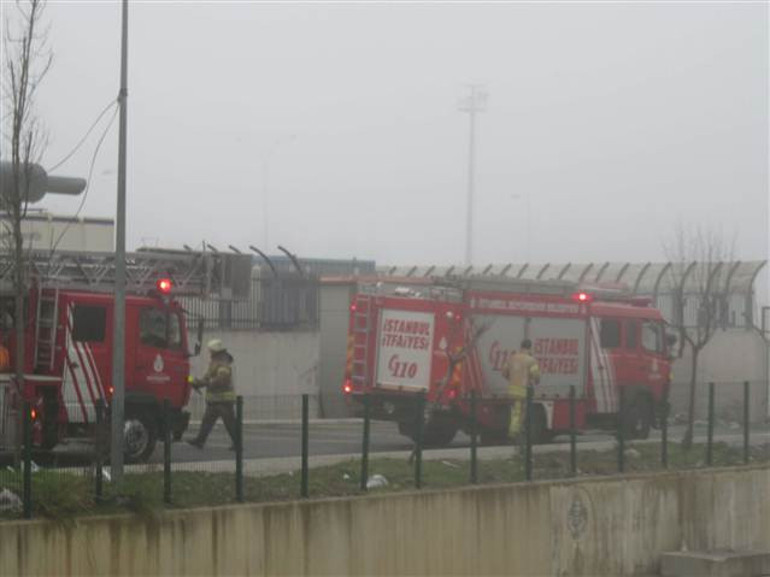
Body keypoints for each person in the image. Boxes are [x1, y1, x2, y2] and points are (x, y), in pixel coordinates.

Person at [187, 339, 237, 450]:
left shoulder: (223, 362)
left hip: (223, 401)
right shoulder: (215, 362)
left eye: (210, 350)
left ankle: (238, 444)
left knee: (230, 424)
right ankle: (200, 441)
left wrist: (205, 383)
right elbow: (207, 377)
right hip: (215, 401)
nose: (209, 352)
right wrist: (193, 380)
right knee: (207, 422)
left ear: (215, 351)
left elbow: (221, 379)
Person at [502, 338, 541, 442]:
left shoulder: (512, 358)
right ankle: (515, 432)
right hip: (523, 391)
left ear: (521, 346)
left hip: (511, 390)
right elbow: (536, 375)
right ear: (530, 347)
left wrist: (512, 379)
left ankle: (514, 431)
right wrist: (536, 381)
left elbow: (504, 372)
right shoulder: (531, 360)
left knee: (514, 412)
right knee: (521, 413)